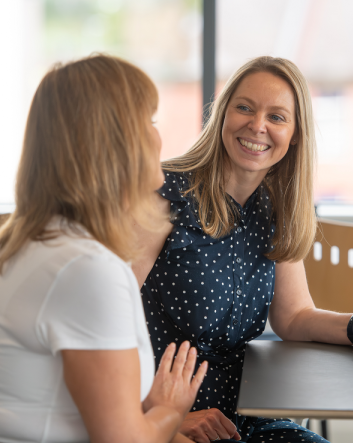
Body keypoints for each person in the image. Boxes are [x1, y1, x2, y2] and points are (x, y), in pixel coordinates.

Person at [133, 56, 353, 443]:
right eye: (245, 108)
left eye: (277, 117)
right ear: (223, 114)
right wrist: (156, 416)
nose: (257, 126)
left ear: (296, 134)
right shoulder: (164, 193)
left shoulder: (274, 208)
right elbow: (99, 322)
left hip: (242, 419)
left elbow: (294, 315)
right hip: (165, 422)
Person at [0, 55, 207, 443]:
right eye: (150, 121)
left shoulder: (33, 244)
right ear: (116, 143)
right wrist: (170, 409)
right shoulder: (85, 268)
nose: (158, 137)